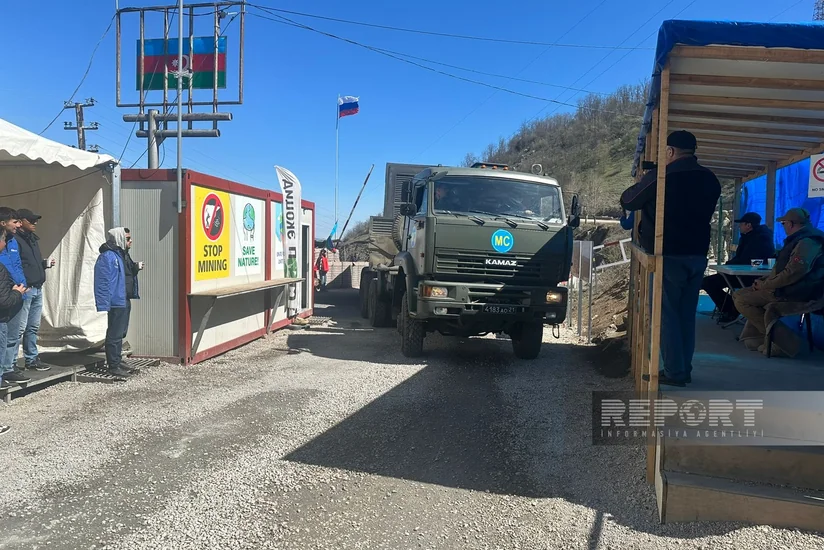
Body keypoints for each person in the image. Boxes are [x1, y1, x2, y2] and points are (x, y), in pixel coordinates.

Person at [619, 130, 721, 387]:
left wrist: (646, 178)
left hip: (668, 256)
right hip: (697, 255)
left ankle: (675, 372)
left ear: (671, 152)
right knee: (686, 316)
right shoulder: (711, 179)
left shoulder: (663, 177)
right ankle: (683, 368)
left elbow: (629, 200)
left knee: (667, 317)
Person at [733, 207, 824, 356]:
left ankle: (784, 342)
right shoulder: (800, 239)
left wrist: (766, 285)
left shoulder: (807, 242)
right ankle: (767, 336)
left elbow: (793, 273)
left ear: (791, 224)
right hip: (790, 288)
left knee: (742, 300)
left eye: (783, 223)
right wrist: (765, 280)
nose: (783, 227)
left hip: (797, 292)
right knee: (739, 294)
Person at [701, 212, 775, 323]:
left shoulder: (760, 239)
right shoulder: (748, 237)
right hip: (740, 273)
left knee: (708, 283)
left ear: (749, 225)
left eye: (742, 224)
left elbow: (747, 259)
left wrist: (730, 264)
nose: (739, 226)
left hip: (750, 276)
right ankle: (732, 308)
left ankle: (732, 309)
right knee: (708, 282)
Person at [14, 208, 55, 371]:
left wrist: (43, 265)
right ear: (21, 221)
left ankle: (31, 359)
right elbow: (16, 265)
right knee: (20, 328)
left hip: (37, 287)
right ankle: (10, 364)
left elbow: (29, 263)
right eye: (31, 220)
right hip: (26, 289)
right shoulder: (15, 240)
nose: (35, 223)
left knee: (33, 327)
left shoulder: (32, 239)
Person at [94, 228, 132, 378]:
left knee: (121, 332)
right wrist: (104, 303)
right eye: (127, 238)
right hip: (116, 300)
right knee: (114, 333)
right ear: (120, 238)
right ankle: (113, 365)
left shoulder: (121, 254)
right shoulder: (108, 256)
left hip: (124, 298)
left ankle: (117, 359)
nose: (130, 241)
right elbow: (102, 281)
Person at [0, 207, 32, 384]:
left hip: (19, 292)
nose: (18, 225)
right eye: (15, 221)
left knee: (14, 334)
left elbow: (18, 265)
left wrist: (23, 285)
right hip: (5, 294)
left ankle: (9, 367)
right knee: (3, 334)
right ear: (3, 223)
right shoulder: (2, 242)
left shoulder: (13, 241)